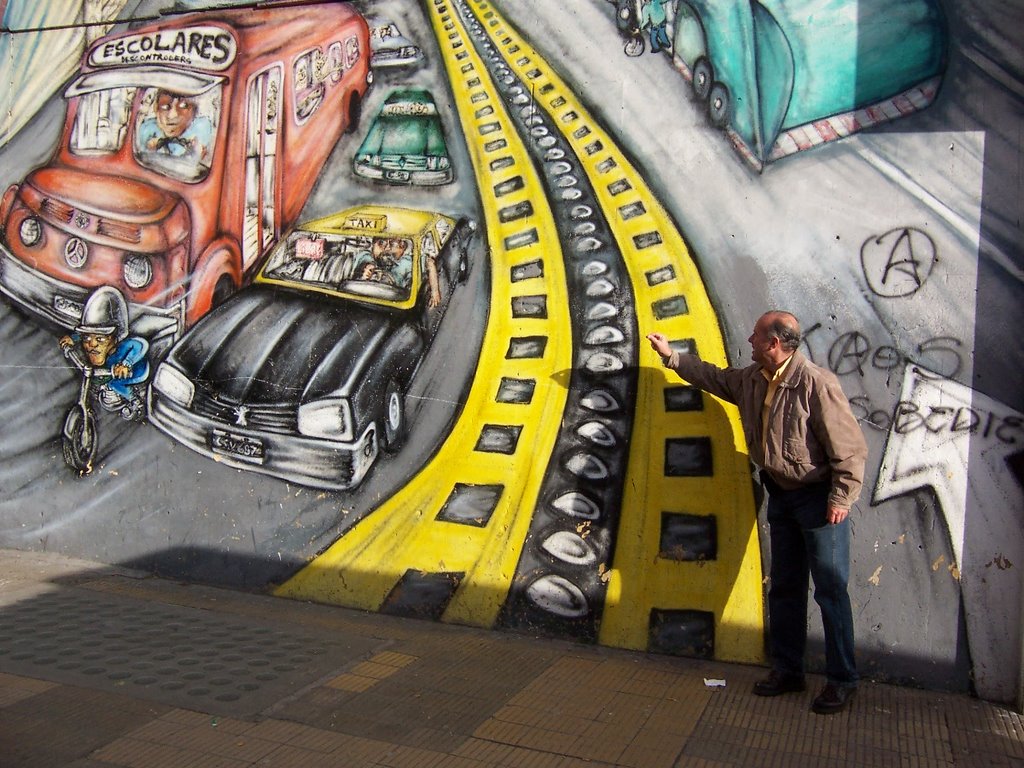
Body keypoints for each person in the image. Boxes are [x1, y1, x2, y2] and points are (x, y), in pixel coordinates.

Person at [647, 311, 867, 714]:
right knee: (784, 587)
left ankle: (842, 679)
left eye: (756, 335)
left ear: (774, 343)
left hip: (818, 501)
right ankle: (788, 670)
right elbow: (713, 377)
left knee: (831, 592)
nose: (749, 339)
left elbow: (849, 450)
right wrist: (671, 357)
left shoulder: (815, 384)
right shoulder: (752, 379)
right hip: (781, 495)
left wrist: (841, 499)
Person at [59, 286, 150, 421]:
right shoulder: (95, 344)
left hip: (135, 373)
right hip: (110, 371)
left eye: (100, 339)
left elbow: (141, 345)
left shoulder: (124, 346)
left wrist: (126, 364)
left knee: (115, 384)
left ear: (114, 338)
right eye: (87, 339)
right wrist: (73, 339)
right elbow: (87, 335)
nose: (92, 344)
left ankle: (135, 400)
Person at [137, 90, 213, 161]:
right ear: (156, 109)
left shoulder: (202, 129)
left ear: (194, 111)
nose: (173, 115)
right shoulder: (147, 130)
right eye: (165, 107)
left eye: (184, 106)